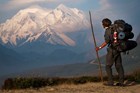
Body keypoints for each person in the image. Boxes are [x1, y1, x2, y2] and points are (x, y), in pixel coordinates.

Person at [96, 18, 124, 86]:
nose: (102, 25)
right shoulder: (115, 28)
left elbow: (106, 42)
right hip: (119, 49)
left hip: (112, 50)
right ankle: (121, 82)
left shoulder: (108, 31)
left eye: (102, 24)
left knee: (108, 66)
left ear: (104, 24)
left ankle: (111, 82)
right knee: (119, 65)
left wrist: (99, 48)